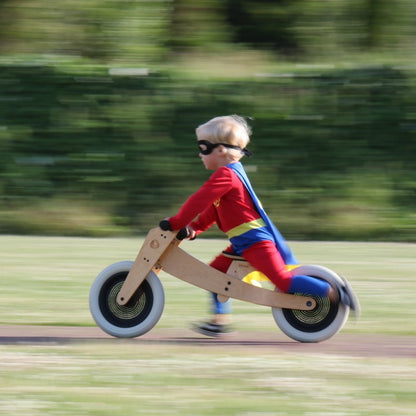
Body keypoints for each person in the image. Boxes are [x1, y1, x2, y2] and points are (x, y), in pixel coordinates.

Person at [161, 115, 338, 337]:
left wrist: (177, 222)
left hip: (255, 242)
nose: (200, 153)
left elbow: (199, 200)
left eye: (203, 147)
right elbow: (214, 209)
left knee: (282, 280)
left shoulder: (227, 174)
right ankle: (219, 321)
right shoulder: (231, 173)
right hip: (242, 243)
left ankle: (331, 293)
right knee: (214, 275)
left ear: (221, 151)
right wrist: (194, 228)